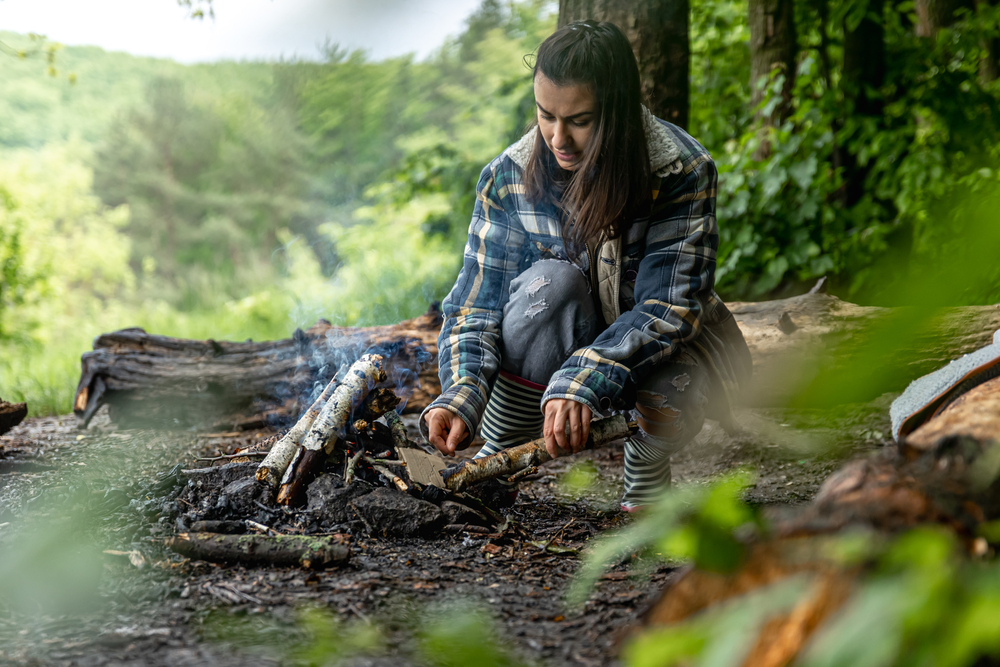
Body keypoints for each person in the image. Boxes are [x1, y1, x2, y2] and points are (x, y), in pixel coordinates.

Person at [420, 20, 752, 510]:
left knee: (677, 385)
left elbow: (670, 308)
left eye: (580, 120)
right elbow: (476, 305)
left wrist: (583, 379)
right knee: (549, 285)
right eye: (545, 115)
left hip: (656, 355)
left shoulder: (680, 171)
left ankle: (645, 469)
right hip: (555, 348)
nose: (558, 138)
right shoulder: (507, 176)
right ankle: (501, 453)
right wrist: (462, 392)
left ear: (617, 112)